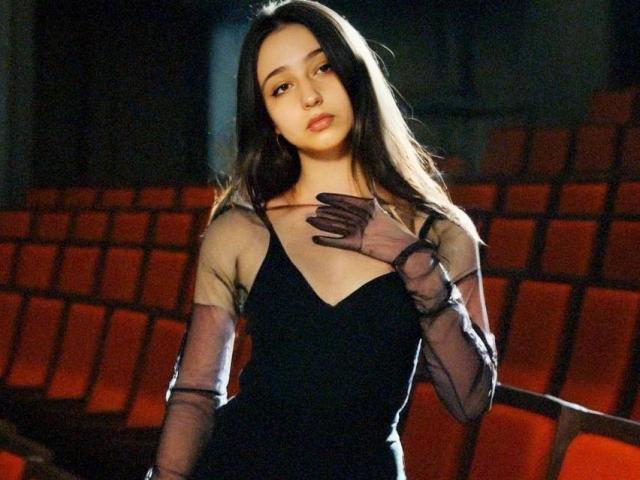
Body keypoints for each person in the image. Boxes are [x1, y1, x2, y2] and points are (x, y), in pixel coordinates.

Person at [146, 1, 497, 478]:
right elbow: (197, 391)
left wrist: (411, 259)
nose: (309, 96)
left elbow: (470, 401)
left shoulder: (441, 233)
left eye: (323, 68)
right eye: (282, 87)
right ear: (269, 117)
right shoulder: (239, 231)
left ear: (354, 75)